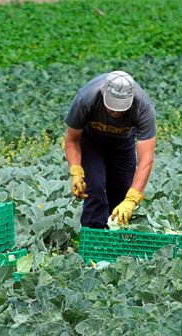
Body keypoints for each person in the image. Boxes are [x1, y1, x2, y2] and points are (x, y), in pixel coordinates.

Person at [64, 70, 157, 228]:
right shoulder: (86, 99)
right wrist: (76, 170)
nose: (115, 112)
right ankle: (94, 240)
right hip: (91, 141)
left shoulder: (143, 108)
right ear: (103, 93)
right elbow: (72, 139)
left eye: (121, 109)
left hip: (123, 143)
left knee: (122, 192)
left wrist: (132, 199)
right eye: (111, 107)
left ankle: (116, 239)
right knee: (94, 188)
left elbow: (146, 160)